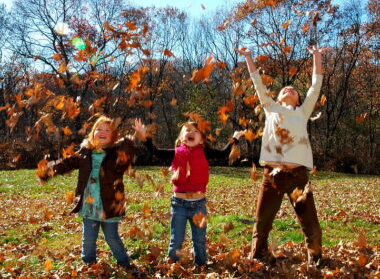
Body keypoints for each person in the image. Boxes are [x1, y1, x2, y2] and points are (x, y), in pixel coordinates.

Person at [234, 45, 327, 265]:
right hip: (271, 176)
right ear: (277, 96)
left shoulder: (303, 112)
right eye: (285, 88)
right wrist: (248, 57)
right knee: (262, 221)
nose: (290, 89)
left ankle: (316, 260)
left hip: (297, 177)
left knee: (310, 223)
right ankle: (259, 256)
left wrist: (317, 56)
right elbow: (257, 81)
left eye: (294, 90)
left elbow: (316, 85)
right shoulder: (271, 107)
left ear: (298, 99)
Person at [133, 119, 244, 266]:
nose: (191, 133)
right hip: (178, 204)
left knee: (199, 240)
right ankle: (173, 266)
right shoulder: (176, 153)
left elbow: (223, 153)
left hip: (199, 206)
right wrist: (143, 136)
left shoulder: (205, 152)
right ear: (181, 137)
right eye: (188, 130)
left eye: (196, 131)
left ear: (202, 139)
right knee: (176, 239)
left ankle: (201, 265)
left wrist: (235, 138)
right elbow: (155, 152)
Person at [37, 115, 134, 267]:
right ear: (92, 133)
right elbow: (66, 163)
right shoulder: (85, 152)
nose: (102, 132)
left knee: (112, 237)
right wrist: (47, 172)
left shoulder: (115, 155)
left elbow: (125, 161)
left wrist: (128, 142)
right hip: (89, 205)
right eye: (99, 129)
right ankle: (88, 263)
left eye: (107, 130)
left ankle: (124, 262)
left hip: (109, 205)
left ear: (113, 136)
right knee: (88, 237)